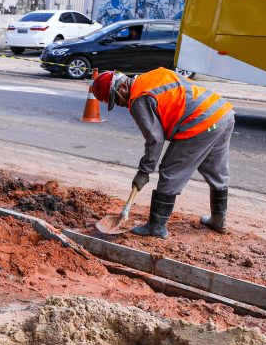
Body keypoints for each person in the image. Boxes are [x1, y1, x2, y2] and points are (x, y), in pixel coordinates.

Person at [91, 68, 235, 239]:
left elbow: (155, 139)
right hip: (222, 113)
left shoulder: (138, 99)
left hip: (201, 122)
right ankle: (219, 220)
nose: (120, 105)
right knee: (215, 169)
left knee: (170, 171)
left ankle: (156, 226)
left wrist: (144, 172)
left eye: (116, 100)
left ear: (122, 87)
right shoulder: (151, 76)